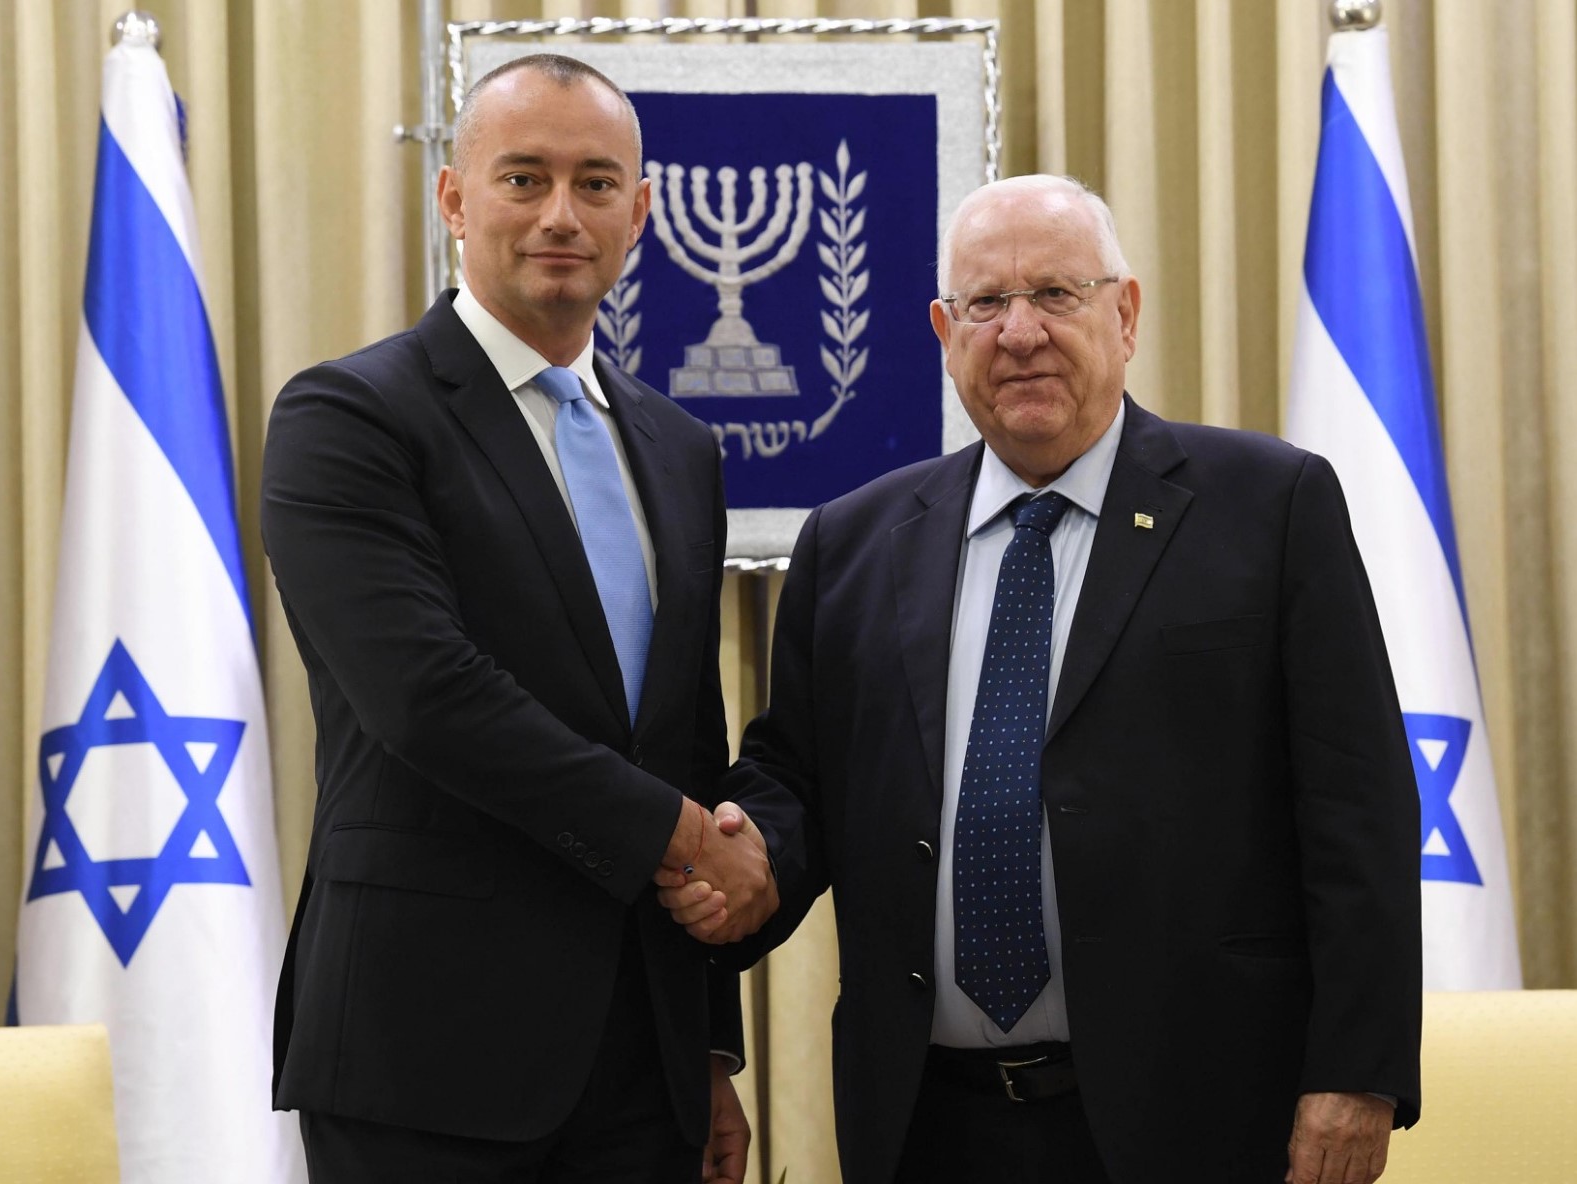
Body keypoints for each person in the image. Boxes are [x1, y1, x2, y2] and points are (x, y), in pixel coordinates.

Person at [661, 175, 1422, 1184]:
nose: (1019, 331)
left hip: (1203, 1111)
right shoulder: (853, 541)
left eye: (1056, 293)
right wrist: (745, 853)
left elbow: (1358, 806)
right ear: (943, 328)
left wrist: (1354, 1073)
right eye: (985, 303)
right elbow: (798, 775)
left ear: (1126, 311)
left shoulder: (1268, 507)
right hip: (928, 1124)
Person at [261, 53, 782, 1183]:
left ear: (640, 214)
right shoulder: (349, 415)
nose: (561, 213)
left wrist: (703, 1038)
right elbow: (428, 695)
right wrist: (692, 840)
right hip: (423, 1055)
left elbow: (683, 740)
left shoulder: (681, 452)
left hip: (642, 1066)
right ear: (453, 197)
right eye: (522, 178)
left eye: (596, 183)